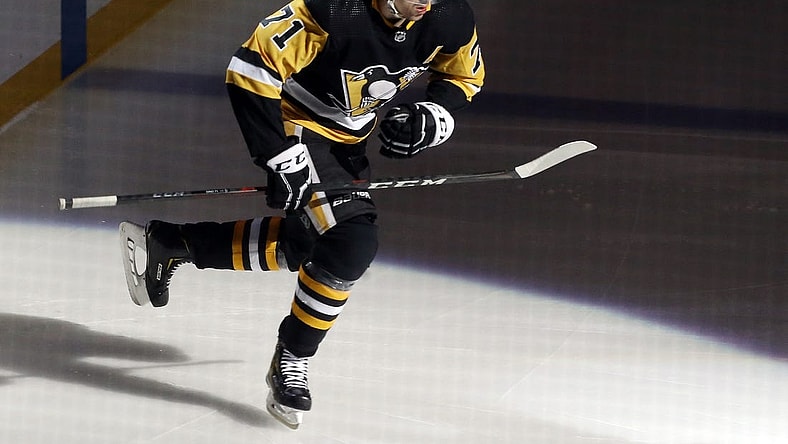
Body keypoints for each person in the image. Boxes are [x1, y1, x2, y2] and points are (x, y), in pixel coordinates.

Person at [133, 0, 484, 429]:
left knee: (309, 244)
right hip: (296, 126)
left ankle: (174, 243)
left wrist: (434, 113)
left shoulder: (448, 16)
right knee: (351, 242)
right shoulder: (334, 10)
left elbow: (463, 76)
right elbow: (250, 69)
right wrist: (278, 152)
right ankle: (293, 358)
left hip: (348, 140)